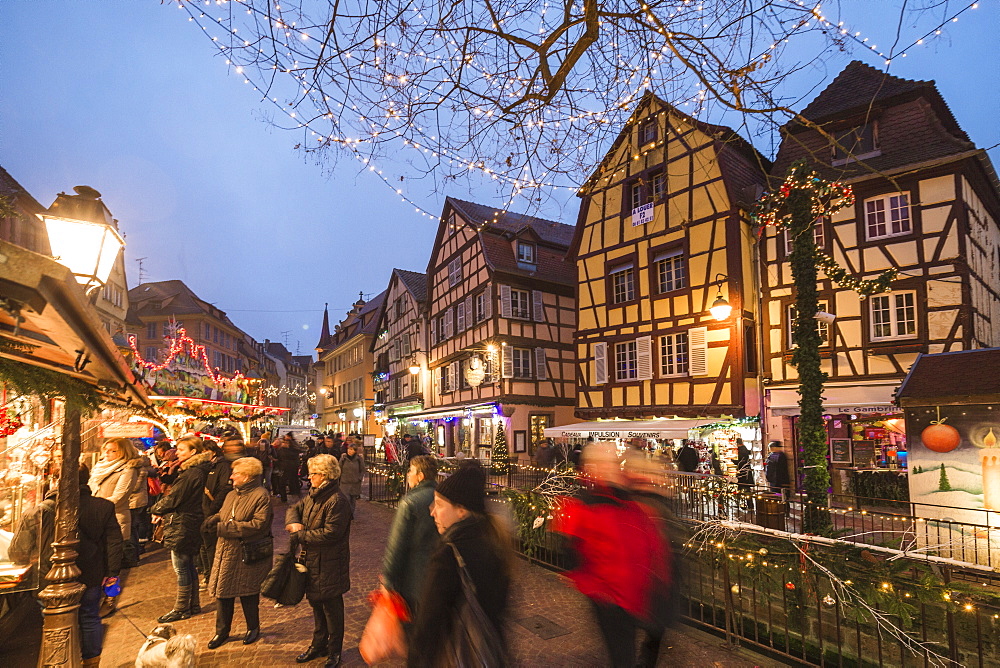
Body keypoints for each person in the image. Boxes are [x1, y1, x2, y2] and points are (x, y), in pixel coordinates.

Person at [551, 442, 666, 668]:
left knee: (632, 646)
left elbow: (649, 537)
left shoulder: (626, 499)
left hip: (637, 591)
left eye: (614, 462)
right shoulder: (585, 504)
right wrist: (595, 586)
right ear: (592, 467)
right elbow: (572, 550)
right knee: (622, 655)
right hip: (610, 597)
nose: (613, 467)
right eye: (607, 462)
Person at [409, 461, 511, 667]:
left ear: (461, 511)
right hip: (491, 652)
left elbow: (429, 621)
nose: (432, 512)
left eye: (439, 505)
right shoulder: (494, 540)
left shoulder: (449, 552)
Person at [286, 454, 353, 668]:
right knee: (316, 603)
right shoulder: (314, 495)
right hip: (313, 560)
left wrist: (301, 534)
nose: (309, 478)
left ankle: (334, 652)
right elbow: (294, 510)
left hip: (330, 562)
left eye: (313, 474)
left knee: (332, 609)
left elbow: (331, 534)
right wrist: (295, 523)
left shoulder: (336, 500)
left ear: (324, 475)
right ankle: (318, 644)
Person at [204, 457, 273, 650]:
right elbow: (228, 513)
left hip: (246, 552)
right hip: (226, 550)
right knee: (223, 593)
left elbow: (258, 525)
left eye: (236, 473)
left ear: (247, 476)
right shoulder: (232, 494)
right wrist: (214, 519)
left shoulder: (261, 495)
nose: (231, 476)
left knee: (248, 593)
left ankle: (253, 627)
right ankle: (222, 631)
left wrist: (223, 528)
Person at [150, 435, 212, 622]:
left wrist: (156, 509)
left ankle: (181, 607)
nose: (177, 452)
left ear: (193, 452)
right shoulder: (194, 471)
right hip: (188, 521)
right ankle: (193, 604)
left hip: (183, 522)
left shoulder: (191, 473)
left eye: (182, 449)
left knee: (181, 567)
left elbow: (175, 498)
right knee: (188, 565)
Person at [380, 455, 440, 620]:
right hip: (438, 573)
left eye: (411, 471)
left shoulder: (410, 502)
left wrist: (388, 579)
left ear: (420, 476)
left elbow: (396, 544)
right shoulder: (442, 496)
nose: (408, 474)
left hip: (414, 577)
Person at [200, 438, 236, 588]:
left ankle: (213, 575)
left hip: (212, 510)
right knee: (203, 544)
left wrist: (214, 506)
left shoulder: (222, 466)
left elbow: (224, 488)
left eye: (205, 451)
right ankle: (207, 572)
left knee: (211, 545)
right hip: (202, 509)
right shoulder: (204, 467)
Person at [338, 442, 366, 513]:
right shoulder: (343, 458)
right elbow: (339, 468)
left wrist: (359, 478)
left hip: (355, 483)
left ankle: (351, 513)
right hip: (344, 483)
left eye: (352, 449)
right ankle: (347, 514)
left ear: (355, 451)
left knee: (353, 500)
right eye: (349, 449)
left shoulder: (359, 459)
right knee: (346, 499)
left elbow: (362, 469)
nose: (350, 451)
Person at [275, 435, 302, 503]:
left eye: (285, 442)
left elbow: (279, 458)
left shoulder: (284, 450)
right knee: (291, 481)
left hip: (286, 468)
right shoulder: (290, 450)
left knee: (283, 482)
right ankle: (292, 493)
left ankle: (285, 497)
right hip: (290, 467)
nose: (283, 444)